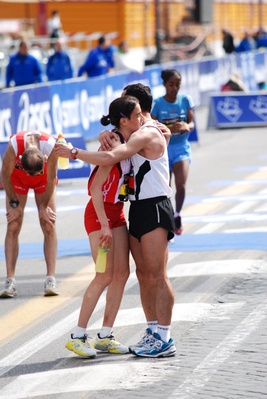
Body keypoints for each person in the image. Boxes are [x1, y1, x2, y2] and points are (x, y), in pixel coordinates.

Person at [55, 83, 176, 358]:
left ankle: (163, 337)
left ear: (137, 111)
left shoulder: (145, 132)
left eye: (126, 102)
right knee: (135, 274)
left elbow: (112, 155)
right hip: (123, 211)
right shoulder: (122, 135)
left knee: (150, 275)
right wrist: (106, 133)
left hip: (151, 207)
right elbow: (101, 176)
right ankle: (148, 330)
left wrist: (73, 152)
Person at [64, 95, 143, 358]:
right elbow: (96, 189)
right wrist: (105, 226)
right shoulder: (113, 143)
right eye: (138, 116)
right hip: (99, 215)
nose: (142, 119)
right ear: (124, 120)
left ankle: (105, 335)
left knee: (122, 274)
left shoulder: (124, 138)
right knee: (104, 276)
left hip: (117, 213)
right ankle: (77, 336)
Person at [0, 130, 59, 298]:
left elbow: (50, 179)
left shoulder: (51, 147)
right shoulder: (13, 146)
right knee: (14, 224)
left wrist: (44, 206)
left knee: (48, 223)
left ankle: (50, 278)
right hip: (18, 179)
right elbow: (4, 174)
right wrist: (14, 203)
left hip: (44, 180)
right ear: (20, 162)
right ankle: (10, 280)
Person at [151, 69, 195, 236]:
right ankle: (168, 218)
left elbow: (192, 124)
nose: (174, 88)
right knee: (166, 187)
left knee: (181, 184)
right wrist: (170, 128)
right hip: (164, 150)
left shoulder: (185, 100)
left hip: (182, 148)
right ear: (164, 84)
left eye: (177, 84)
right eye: (171, 84)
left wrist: (186, 126)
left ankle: (177, 214)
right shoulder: (158, 104)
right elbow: (153, 128)